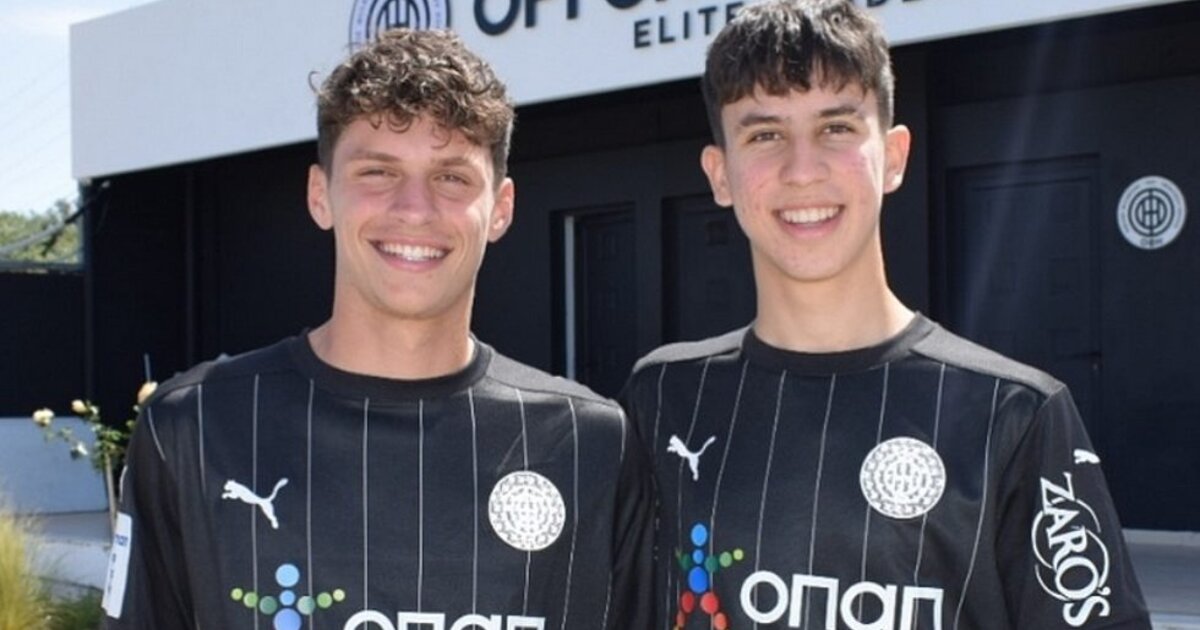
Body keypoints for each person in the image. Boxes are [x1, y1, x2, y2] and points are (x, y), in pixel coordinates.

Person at [620, 1, 1151, 628]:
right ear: (720, 175)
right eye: (765, 135)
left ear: (894, 156)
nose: (802, 171)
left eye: (836, 128)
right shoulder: (665, 399)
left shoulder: (1015, 414)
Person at [102, 29, 653, 630]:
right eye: (377, 172)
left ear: (500, 209)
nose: (414, 209)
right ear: (321, 195)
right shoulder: (194, 429)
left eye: (451, 177)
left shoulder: (589, 443)